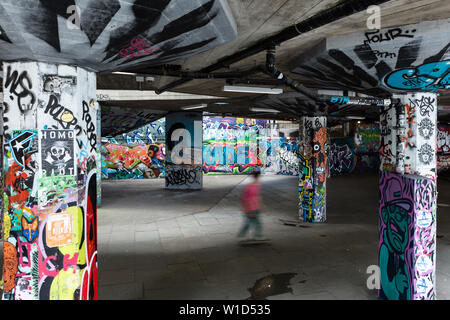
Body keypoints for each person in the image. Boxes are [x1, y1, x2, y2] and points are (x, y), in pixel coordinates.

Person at [238, 170, 265, 240]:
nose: (260, 180)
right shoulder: (249, 187)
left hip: (256, 208)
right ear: (256, 178)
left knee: (257, 223)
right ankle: (241, 236)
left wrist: (261, 206)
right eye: (259, 178)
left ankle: (258, 236)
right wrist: (248, 210)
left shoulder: (257, 186)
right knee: (248, 224)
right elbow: (245, 199)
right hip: (250, 209)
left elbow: (258, 197)